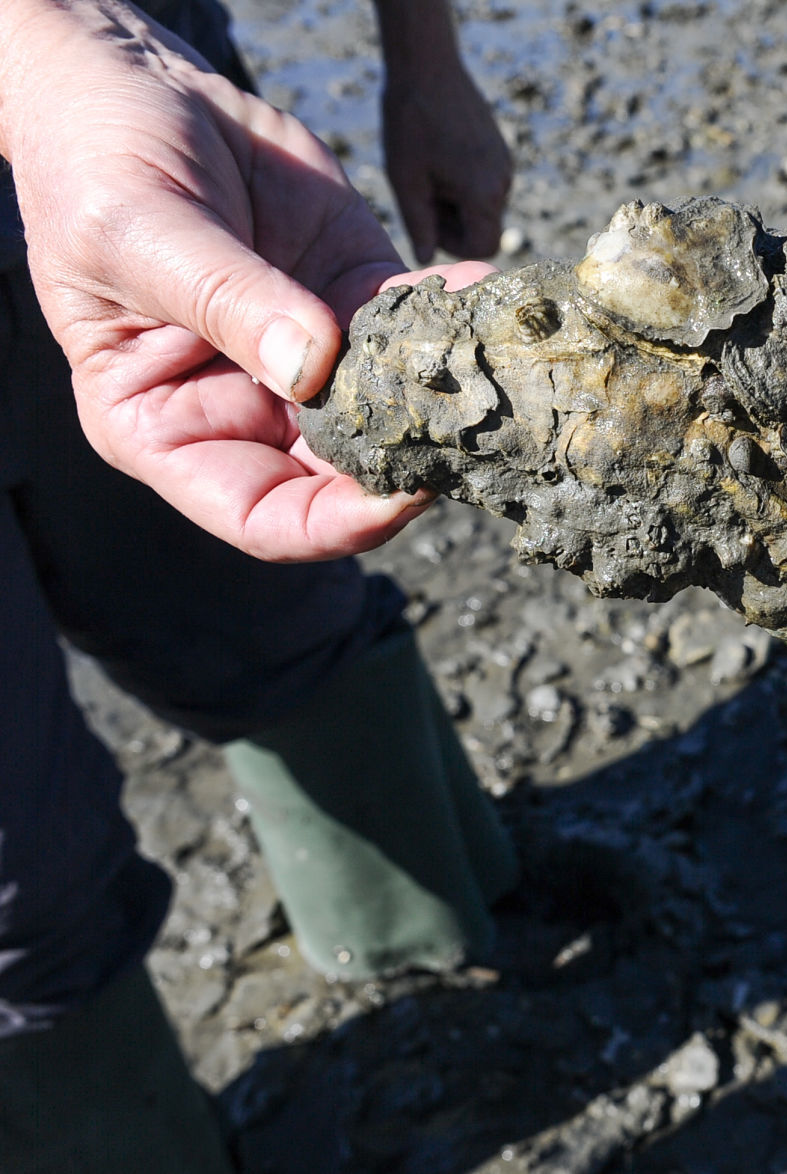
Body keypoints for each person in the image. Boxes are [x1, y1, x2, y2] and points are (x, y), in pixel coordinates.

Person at [0, 1, 523, 1168]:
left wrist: (425, 62)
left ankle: (444, 943)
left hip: (143, 131)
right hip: (82, 80)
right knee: (16, 884)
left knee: (275, 601)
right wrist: (31, 55)